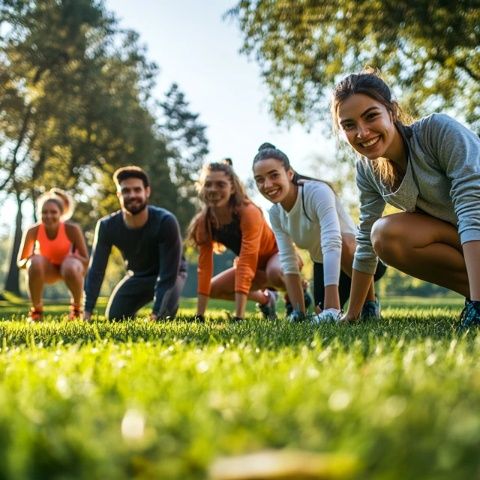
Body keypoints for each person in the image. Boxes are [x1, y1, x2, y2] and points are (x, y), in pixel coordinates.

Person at [331, 69, 480, 329]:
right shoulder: (367, 169)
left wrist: (477, 306)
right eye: (349, 125)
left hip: (475, 224)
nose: (362, 133)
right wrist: (352, 314)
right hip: (461, 237)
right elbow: (366, 238)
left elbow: (472, 207)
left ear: (392, 111)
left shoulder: (437, 132)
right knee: (385, 235)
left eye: (371, 116)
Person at [252, 143, 386, 322]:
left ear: (289, 174)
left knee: (345, 242)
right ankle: (310, 309)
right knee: (319, 310)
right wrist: (298, 311)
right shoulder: (276, 213)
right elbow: (288, 260)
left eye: (274, 175)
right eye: (259, 179)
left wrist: (333, 306)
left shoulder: (317, 192)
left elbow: (332, 242)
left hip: (361, 261)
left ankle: (370, 306)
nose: (267, 185)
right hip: (325, 265)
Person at [187, 159, 299, 321]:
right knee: (212, 288)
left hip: (279, 258)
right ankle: (266, 300)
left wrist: (239, 317)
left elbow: (247, 261)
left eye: (220, 185)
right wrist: (199, 315)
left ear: (232, 187)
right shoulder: (204, 222)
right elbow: (204, 268)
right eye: (208, 184)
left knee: (273, 272)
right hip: (255, 269)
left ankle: (295, 291)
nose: (213, 189)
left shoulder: (248, 212)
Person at [84, 166, 187, 321]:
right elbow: (96, 271)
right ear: (119, 194)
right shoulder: (106, 226)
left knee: (162, 317)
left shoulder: (165, 221)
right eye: (126, 191)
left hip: (171, 274)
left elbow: (168, 274)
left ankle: (165, 307)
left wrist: (157, 313)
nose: (132, 195)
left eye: (137, 190)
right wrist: (87, 310)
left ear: (147, 192)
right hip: (138, 275)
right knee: (115, 317)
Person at [17, 188, 89, 321]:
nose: (48, 216)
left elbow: (85, 260)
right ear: (39, 214)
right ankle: (36, 312)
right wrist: (31, 260)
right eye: (44, 212)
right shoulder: (33, 231)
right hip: (47, 271)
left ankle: (77, 310)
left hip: (69, 270)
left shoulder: (72, 229)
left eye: (53, 212)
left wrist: (73, 259)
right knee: (35, 261)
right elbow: (20, 262)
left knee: (70, 264)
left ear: (61, 213)